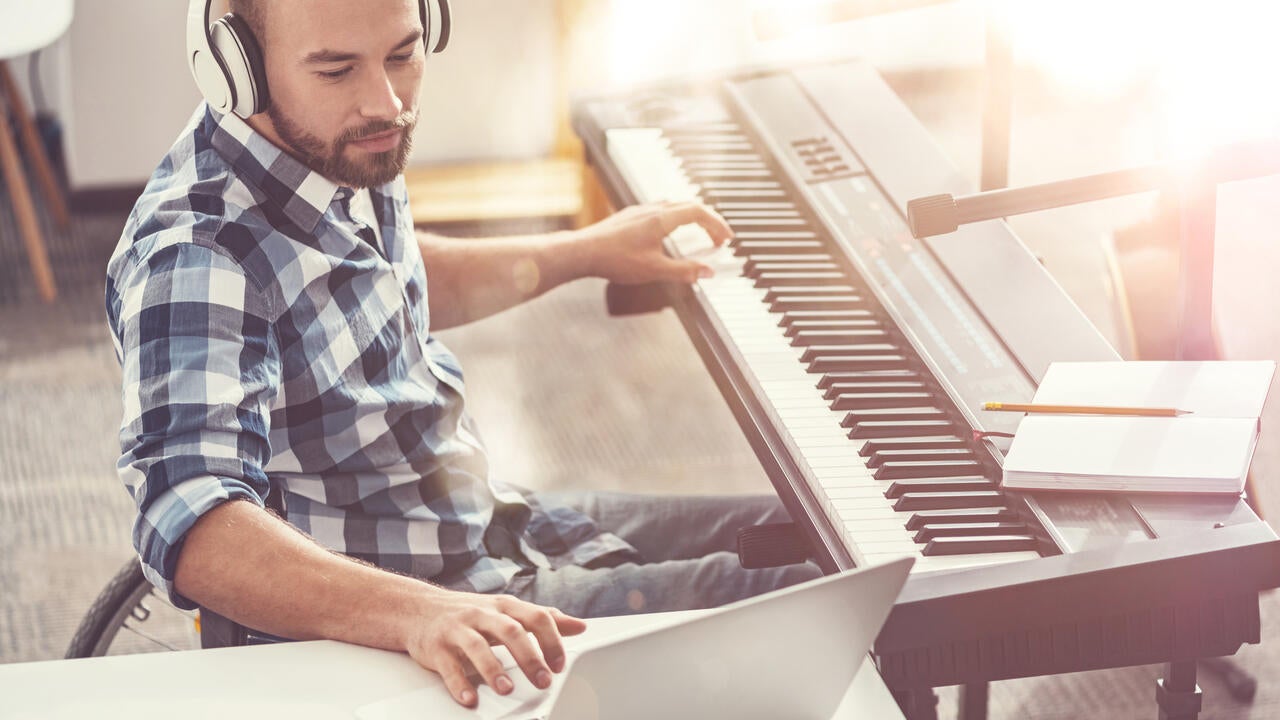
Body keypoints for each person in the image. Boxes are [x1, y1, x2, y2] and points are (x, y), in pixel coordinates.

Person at [105, 0, 820, 708]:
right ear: (237, 69)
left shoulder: (337, 149)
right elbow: (193, 523)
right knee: (822, 607)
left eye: (403, 54)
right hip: (434, 604)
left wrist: (583, 253)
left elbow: (386, 285)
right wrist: (420, 614)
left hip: (497, 522)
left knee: (827, 541)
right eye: (337, 70)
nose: (386, 102)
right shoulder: (197, 256)